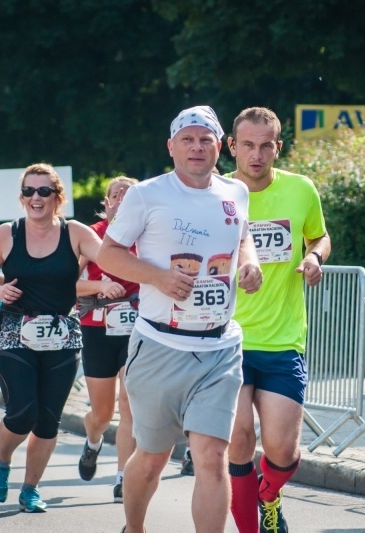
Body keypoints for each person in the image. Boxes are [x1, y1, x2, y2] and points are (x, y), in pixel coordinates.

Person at [97, 105, 263, 533]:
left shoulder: (235, 192)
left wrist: (249, 263)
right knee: (151, 456)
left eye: (205, 139)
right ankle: (134, 528)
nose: (196, 147)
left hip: (220, 346)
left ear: (218, 146)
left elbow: (242, 236)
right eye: (187, 139)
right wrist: (158, 278)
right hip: (160, 346)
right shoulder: (146, 194)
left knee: (211, 457)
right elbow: (107, 253)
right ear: (171, 146)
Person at [224, 107, 330, 533]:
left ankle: (269, 496)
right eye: (247, 145)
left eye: (266, 145)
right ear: (231, 146)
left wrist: (314, 256)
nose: (257, 154)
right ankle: (253, 528)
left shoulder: (301, 189)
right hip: (226, 339)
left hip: (283, 339)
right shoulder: (216, 193)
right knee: (239, 441)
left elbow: (319, 234)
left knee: (283, 450)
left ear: (278, 147)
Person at [0, 163, 101, 512]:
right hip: (16, 330)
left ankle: (30, 488)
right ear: (21, 197)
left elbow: (109, 258)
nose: (36, 198)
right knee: (22, 411)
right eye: (29, 191)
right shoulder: (7, 233)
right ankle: (2, 460)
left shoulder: (75, 232)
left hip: (62, 333)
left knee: (47, 420)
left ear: (57, 197)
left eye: (44, 191)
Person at [76, 176, 139, 503]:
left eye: (130, 197)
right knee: (101, 413)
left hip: (137, 328)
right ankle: (94, 440)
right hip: (97, 328)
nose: (122, 201)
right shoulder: (93, 235)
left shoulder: (148, 236)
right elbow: (65, 283)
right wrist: (99, 287)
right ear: (107, 202)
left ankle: (122, 478)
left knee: (129, 405)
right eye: (117, 196)